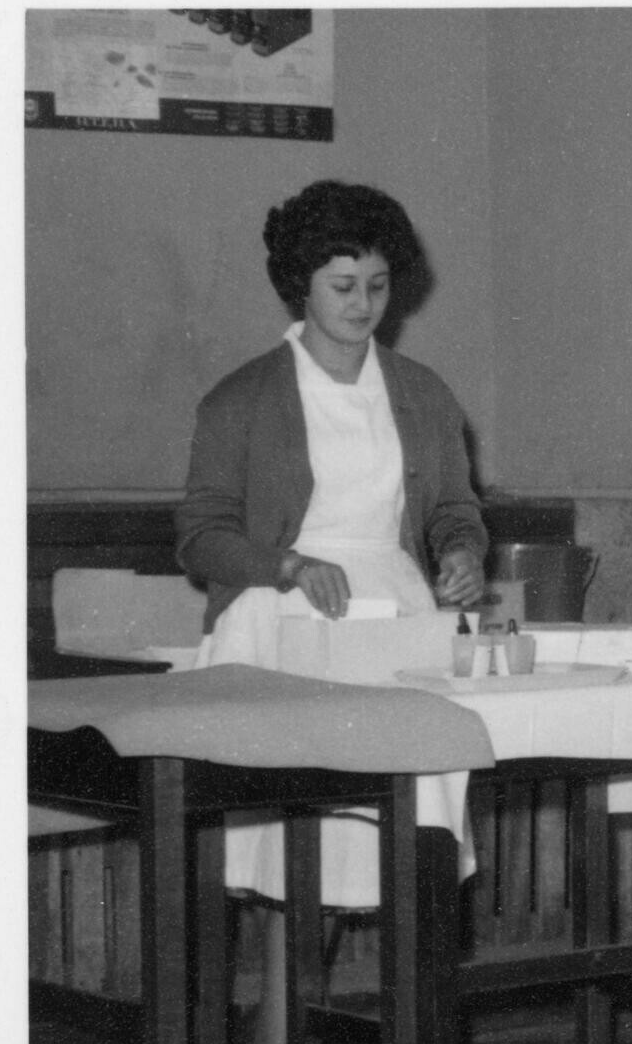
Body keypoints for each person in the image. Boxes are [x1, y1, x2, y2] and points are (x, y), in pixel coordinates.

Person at [176, 180, 487, 938]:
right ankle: (285, 1024)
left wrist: (461, 551)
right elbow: (200, 534)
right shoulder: (240, 399)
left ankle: (400, 1030)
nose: (363, 304)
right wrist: (285, 565)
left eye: (378, 286)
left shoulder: (422, 393)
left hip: (395, 620)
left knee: (404, 831)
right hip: (282, 620)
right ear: (299, 286)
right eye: (342, 286)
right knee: (292, 840)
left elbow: (453, 508)